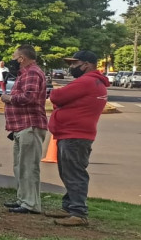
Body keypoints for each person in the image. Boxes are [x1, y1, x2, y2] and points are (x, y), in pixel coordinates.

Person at [44, 51, 108, 226]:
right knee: (68, 172)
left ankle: (78, 212)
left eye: (74, 63)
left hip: (75, 135)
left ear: (86, 64)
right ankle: (69, 207)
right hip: (75, 134)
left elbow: (57, 96)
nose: (70, 67)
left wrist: (59, 100)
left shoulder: (86, 81)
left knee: (74, 173)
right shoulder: (95, 82)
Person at [0, 45, 48, 215]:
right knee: (20, 166)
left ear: (22, 58)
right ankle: (23, 199)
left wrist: (9, 98)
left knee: (28, 166)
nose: (12, 59)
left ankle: (31, 203)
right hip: (21, 126)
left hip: (30, 125)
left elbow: (30, 97)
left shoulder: (32, 73)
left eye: (14, 56)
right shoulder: (25, 73)